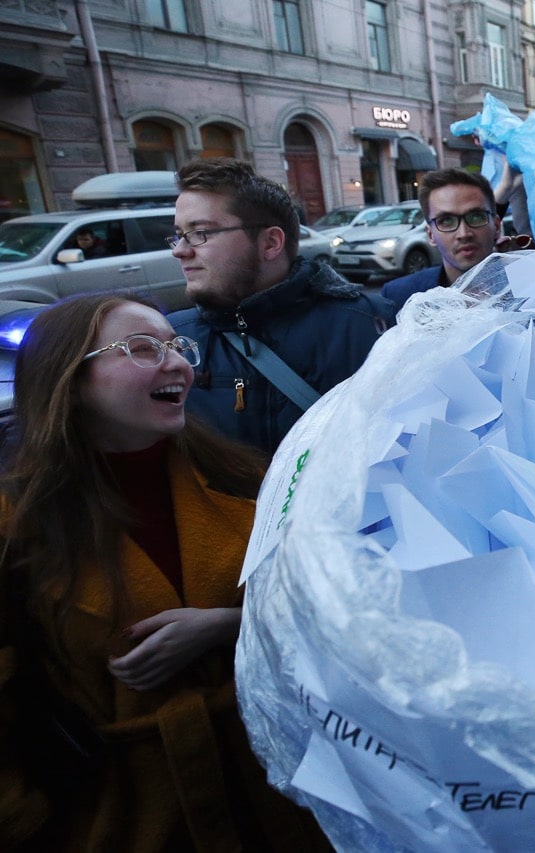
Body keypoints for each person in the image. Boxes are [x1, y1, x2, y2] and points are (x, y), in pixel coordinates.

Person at [0, 294, 326, 851]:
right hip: (117, 816)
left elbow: (330, 604)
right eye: (144, 349)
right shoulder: (15, 524)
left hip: (280, 795)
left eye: (178, 346)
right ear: (68, 379)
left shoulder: (247, 480)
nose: (178, 364)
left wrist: (231, 623)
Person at [166, 158, 394, 453]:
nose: (180, 251)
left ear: (271, 243)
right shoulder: (172, 343)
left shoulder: (375, 327)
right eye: (178, 235)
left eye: (200, 233)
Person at [382, 168, 503, 311]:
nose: (464, 233)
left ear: (496, 226)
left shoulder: (530, 286)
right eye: (446, 221)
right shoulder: (400, 297)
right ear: (430, 235)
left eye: (476, 217)